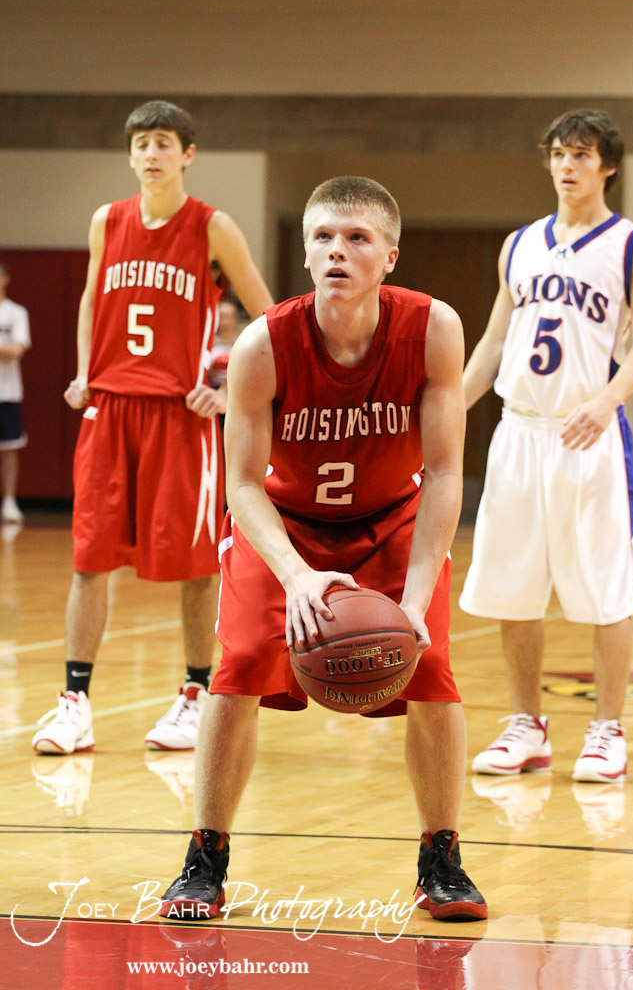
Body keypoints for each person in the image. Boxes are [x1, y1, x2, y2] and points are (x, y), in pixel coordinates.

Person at [159, 175, 487, 923]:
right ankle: (205, 856)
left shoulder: (433, 329)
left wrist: (412, 602)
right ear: (306, 254)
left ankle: (441, 857)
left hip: (390, 517)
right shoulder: (263, 343)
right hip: (286, 525)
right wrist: (297, 575)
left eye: (356, 238)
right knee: (240, 664)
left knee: (431, 667)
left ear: (390, 256)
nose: (337, 250)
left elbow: (443, 474)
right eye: (323, 238)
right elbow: (242, 485)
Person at [32, 100, 273, 756]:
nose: (151, 154)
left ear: (187, 154)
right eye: (141, 143)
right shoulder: (106, 221)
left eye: (164, 142)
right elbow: (91, 298)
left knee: (196, 566)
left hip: (178, 416)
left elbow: (268, 316)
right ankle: (74, 704)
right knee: (89, 561)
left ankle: (196, 694)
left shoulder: (212, 226)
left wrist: (228, 391)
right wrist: (84, 370)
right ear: (130, 154)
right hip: (110, 411)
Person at [459, 110, 633, 783]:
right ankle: (527, 726)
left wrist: (608, 400)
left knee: (608, 590)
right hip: (519, 432)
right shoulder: (518, 244)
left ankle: (607, 731)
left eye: (580, 154)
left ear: (608, 165)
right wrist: (448, 409)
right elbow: (493, 341)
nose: (567, 165)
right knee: (512, 589)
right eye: (557, 154)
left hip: (588, 434)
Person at [0, 263, 31, 524]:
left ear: (6, 279)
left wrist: (10, 349)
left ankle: (9, 501)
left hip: (8, 391)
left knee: (9, 448)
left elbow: (17, 350)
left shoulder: (16, 313)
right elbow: (7, 349)